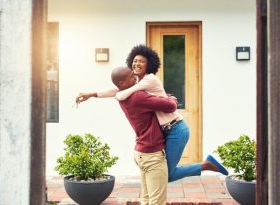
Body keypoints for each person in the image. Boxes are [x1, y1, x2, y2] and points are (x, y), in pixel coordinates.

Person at [76, 45, 228, 183]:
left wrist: (119, 96)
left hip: (176, 129)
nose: (137, 64)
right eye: (135, 61)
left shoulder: (149, 79)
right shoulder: (136, 82)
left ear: (149, 64)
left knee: (166, 175)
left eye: (141, 61)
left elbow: (122, 93)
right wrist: (92, 94)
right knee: (165, 174)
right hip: (166, 130)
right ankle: (206, 164)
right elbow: (118, 90)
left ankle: (206, 165)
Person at [110, 66, 176, 204]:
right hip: (152, 155)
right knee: (157, 201)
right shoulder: (137, 96)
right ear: (122, 83)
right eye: (130, 76)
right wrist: (172, 99)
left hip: (141, 152)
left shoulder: (123, 96)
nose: (135, 76)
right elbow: (170, 106)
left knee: (146, 199)